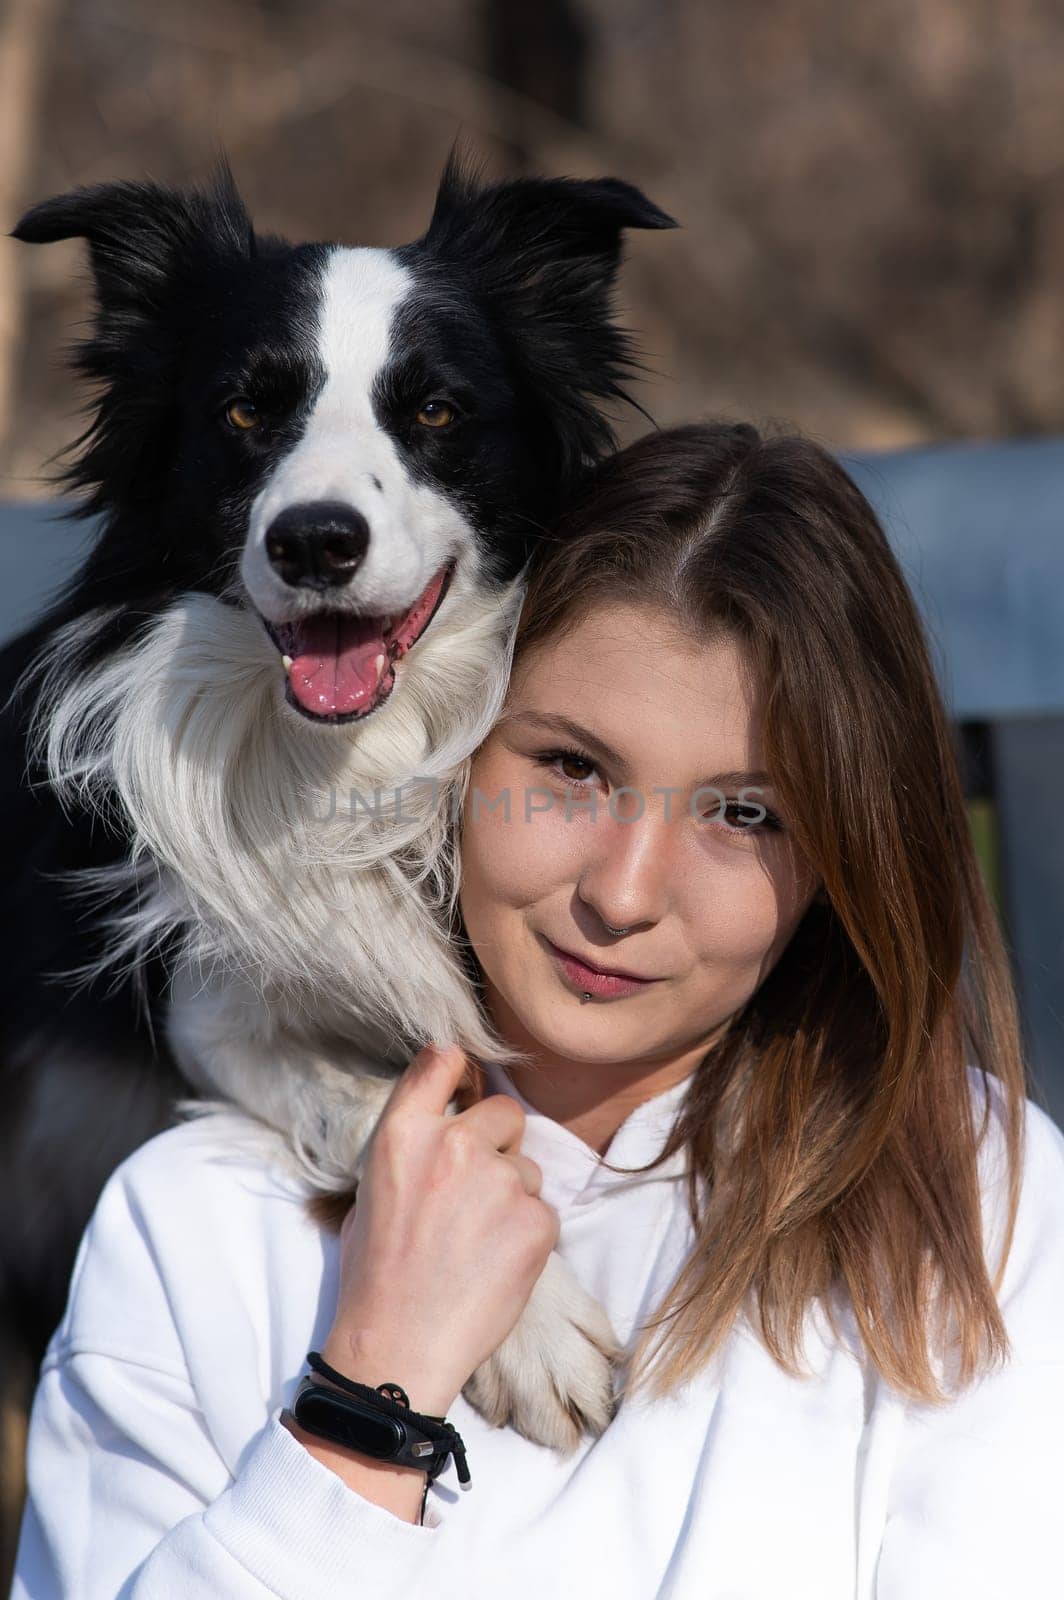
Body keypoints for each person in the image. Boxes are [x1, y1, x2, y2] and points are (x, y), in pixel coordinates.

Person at [10, 422, 1064, 1599]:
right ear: (455, 748)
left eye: (742, 815)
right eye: (570, 768)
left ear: (839, 855)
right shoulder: (194, 1225)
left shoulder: (968, 1199)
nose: (619, 894)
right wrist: (367, 1400)